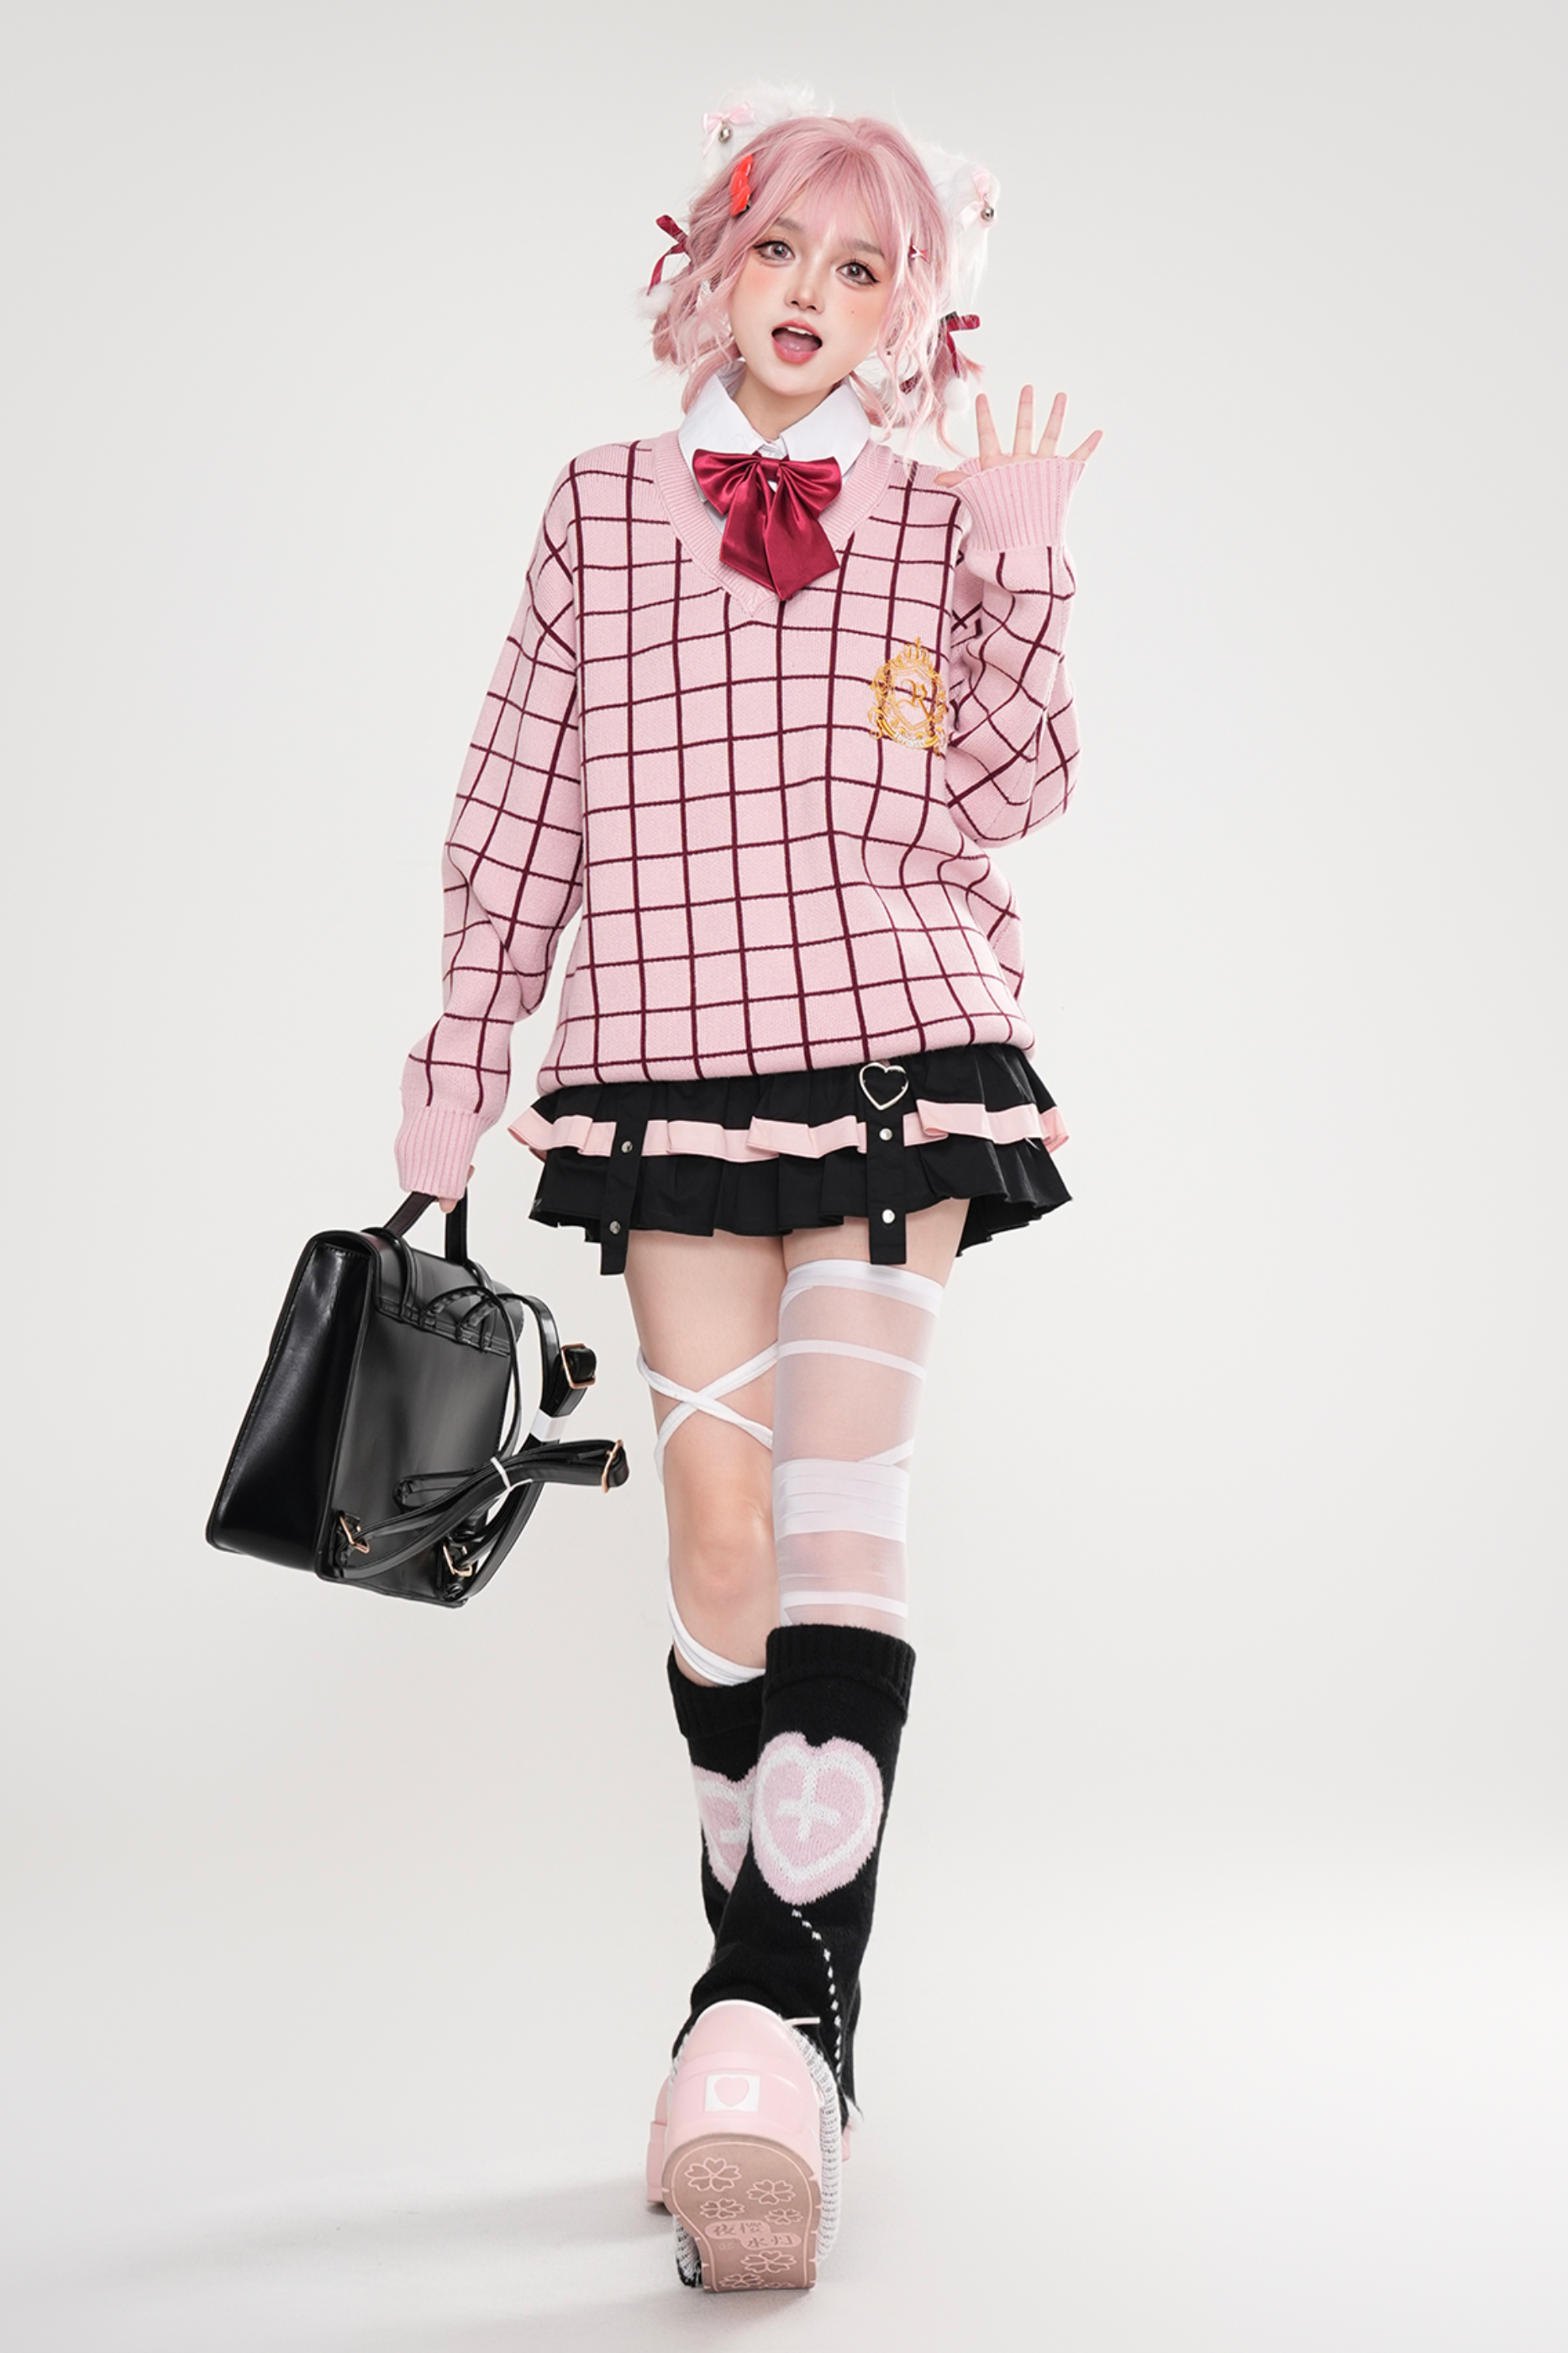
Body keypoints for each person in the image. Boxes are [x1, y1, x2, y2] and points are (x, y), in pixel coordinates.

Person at [393, 96, 1099, 2293]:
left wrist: (1019, 565)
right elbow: (522, 794)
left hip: (894, 1052)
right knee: (716, 1541)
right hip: (669, 1075)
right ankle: (772, 2030)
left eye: (862, 269)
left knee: (836, 1521)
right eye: (782, 249)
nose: (812, 296)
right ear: (714, 264)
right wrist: (459, 1058)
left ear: (912, 313)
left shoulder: (933, 514)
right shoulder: (602, 507)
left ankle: (764, 2036)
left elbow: (1017, 788)